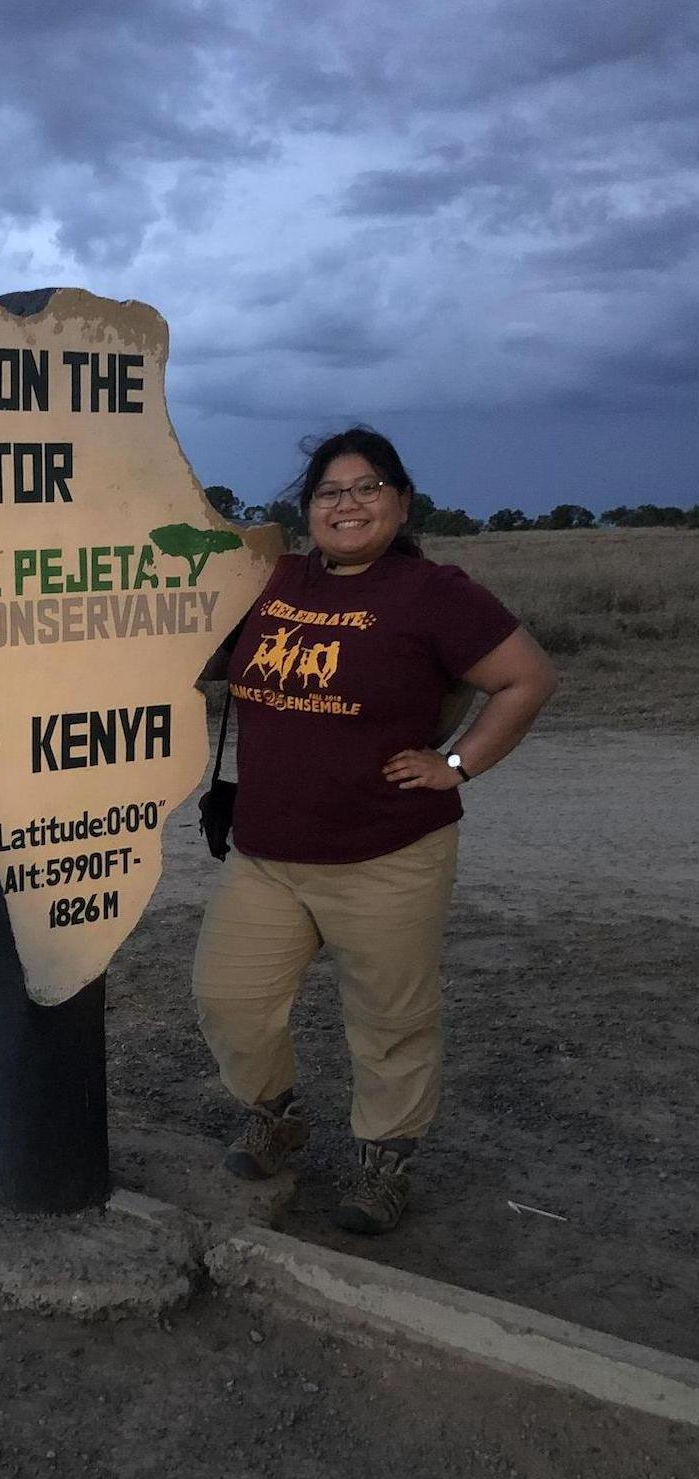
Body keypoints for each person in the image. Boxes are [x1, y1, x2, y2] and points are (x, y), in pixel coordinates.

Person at [192, 427, 557, 1234]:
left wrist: (454, 763)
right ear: (306, 509)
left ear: (399, 501)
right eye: (329, 492)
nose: (346, 503)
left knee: (390, 1021)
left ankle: (383, 1162)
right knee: (228, 997)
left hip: (388, 852)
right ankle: (276, 1114)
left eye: (365, 488)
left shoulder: (434, 591)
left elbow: (526, 678)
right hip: (266, 851)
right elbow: (193, 645)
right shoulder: (273, 578)